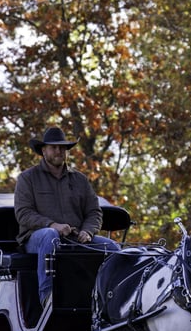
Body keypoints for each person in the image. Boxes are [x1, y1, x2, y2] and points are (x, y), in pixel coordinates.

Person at [15, 126, 120, 305]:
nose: (59, 151)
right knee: (50, 236)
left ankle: (112, 299)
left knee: (114, 248)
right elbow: (23, 213)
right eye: (53, 147)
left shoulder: (80, 180)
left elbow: (94, 212)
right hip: (37, 239)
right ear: (43, 150)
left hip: (75, 238)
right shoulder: (28, 178)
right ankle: (47, 299)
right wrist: (52, 225)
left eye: (62, 148)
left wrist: (88, 231)